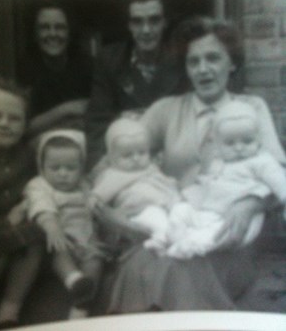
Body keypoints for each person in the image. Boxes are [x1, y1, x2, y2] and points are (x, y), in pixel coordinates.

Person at [94, 16, 286, 313]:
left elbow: (277, 175)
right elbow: (114, 159)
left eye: (213, 58)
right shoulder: (165, 110)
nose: (203, 69)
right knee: (146, 264)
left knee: (180, 267)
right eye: (193, 61)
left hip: (225, 238)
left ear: (231, 63)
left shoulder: (251, 108)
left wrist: (250, 203)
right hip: (172, 228)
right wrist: (113, 213)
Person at [145, 100, 286, 260]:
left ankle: (188, 248)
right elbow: (207, 184)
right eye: (230, 143)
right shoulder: (219, 162)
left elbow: (281, 183)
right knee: (180, 211)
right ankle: (166, 238)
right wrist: (186, 197)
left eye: (247, 141)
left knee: (215, 234)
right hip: (209, 212)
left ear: (258, 140)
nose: (239, 148)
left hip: (234, 219)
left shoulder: (262, 162)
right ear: (218, 145)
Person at [85, 0, 187, 169]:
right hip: (125, 162)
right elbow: (97, 122)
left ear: (165, 22)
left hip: (171, 159)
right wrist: (99, 166)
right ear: (129, 25)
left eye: (154, 20)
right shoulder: (110, 61)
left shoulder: (182, 60)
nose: (146, 30)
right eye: (138, 22)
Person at [0, 78, 44, 328]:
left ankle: (7, 315)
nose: (4, 124)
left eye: (14, 119)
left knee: (34, 234)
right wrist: (4, 223)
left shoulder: (26, 156)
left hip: (11, 244)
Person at [22, 130, 103, 314]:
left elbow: (96, 203)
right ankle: (73, 278)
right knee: (59, 251)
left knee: (95, 261)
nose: (63, 174)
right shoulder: (39, 185)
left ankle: (81, 303)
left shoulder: (85, 185)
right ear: (42, 166)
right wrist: (51, 225)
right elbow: (41, 205)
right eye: (55, 167)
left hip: (86, 238)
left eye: (71, 168)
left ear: (81, 168)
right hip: (58, 236)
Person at [92, 118, 179, 241]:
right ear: (112, 157)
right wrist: (95, 202)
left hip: (163, 205)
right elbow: (97, 198)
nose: (136, 158)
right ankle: (164, 239)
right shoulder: (113, 175)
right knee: (157, 220)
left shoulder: (151, 168)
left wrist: (174, 196)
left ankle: (179, 233)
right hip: (137, 212)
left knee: (181, 212)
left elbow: (165, 183)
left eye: (142, 152)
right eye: (127, 155)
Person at [21, 4, 92, 138]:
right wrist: (65, 110)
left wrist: (47, 121)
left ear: (70, 32)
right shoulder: (25, 69)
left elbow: (98, 115)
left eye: (60, 27)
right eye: (44, 28)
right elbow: (23, 127)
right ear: (35, 34)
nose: (52, 34)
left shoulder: (89, 66)